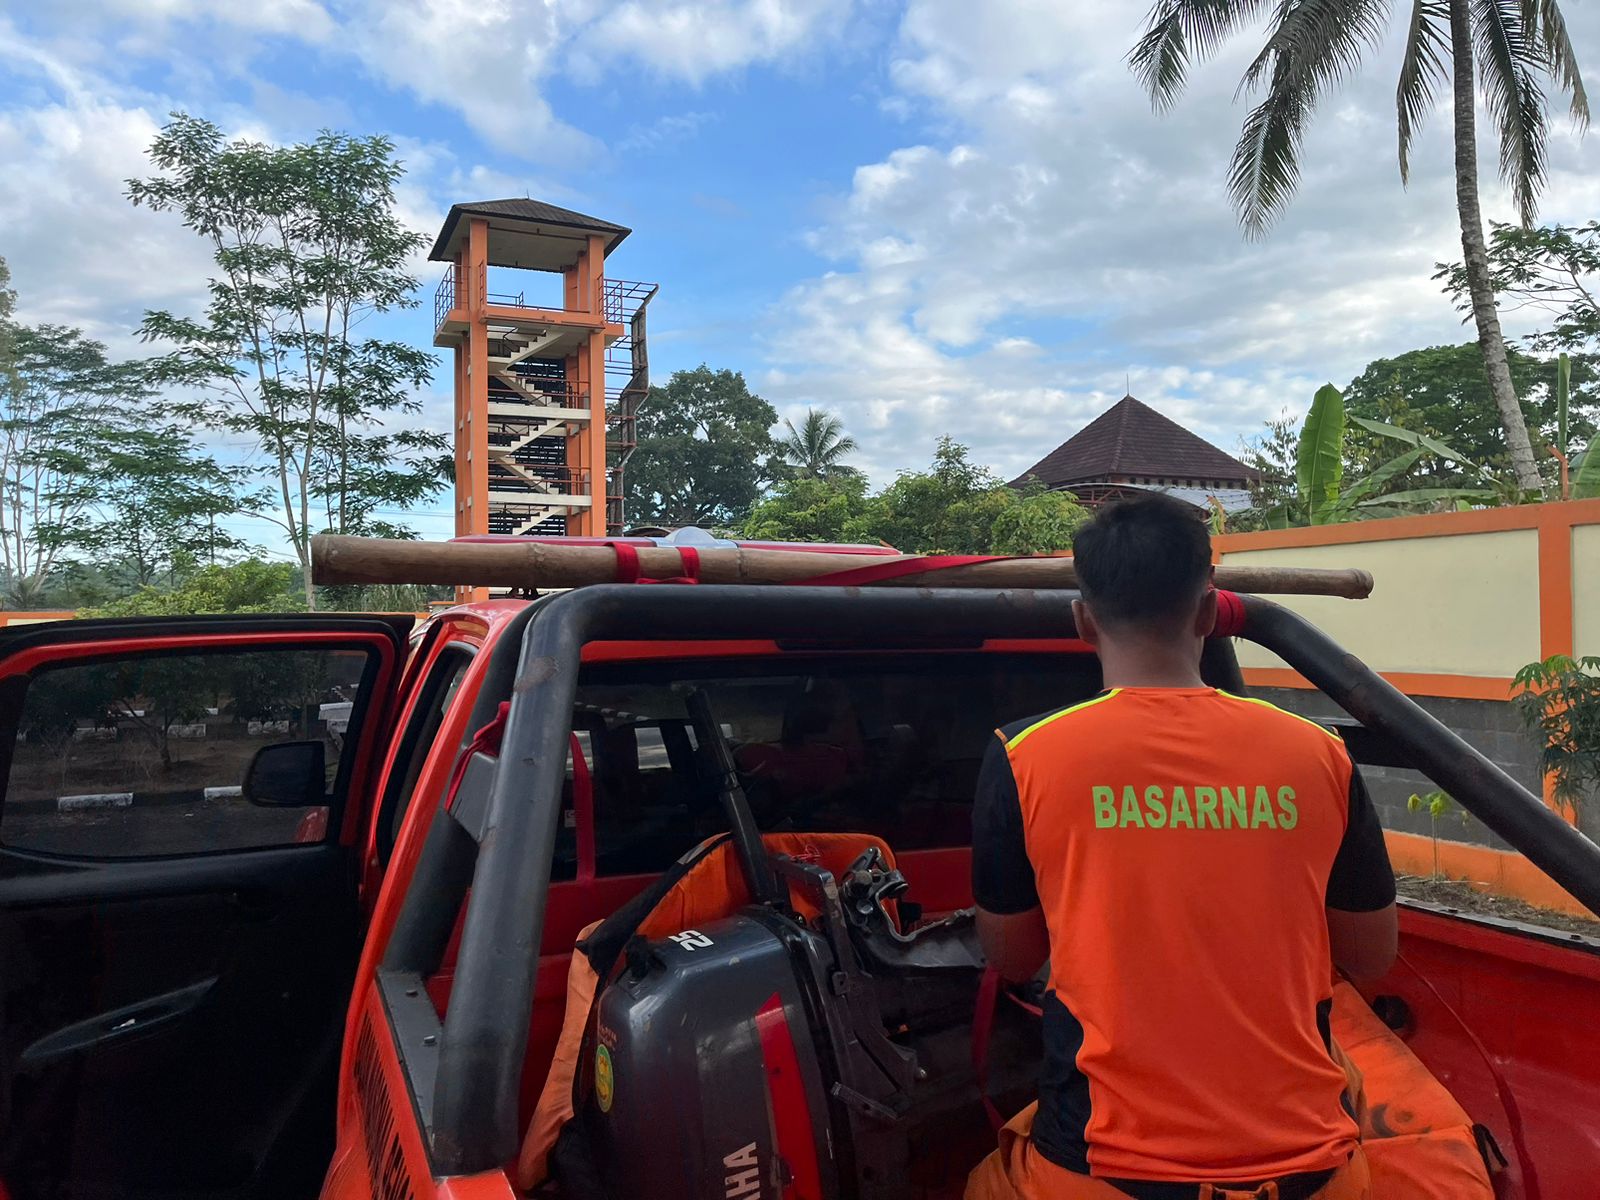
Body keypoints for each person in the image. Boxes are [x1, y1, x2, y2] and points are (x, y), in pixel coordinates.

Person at [966, 492, 1397, 1200]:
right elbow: (1371, 955)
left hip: (1102, 1173)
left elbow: (1013, 958)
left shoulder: (1023, 755)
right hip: (1316, 1170)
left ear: (1082, 621)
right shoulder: (1318, 753)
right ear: (1208, 613)